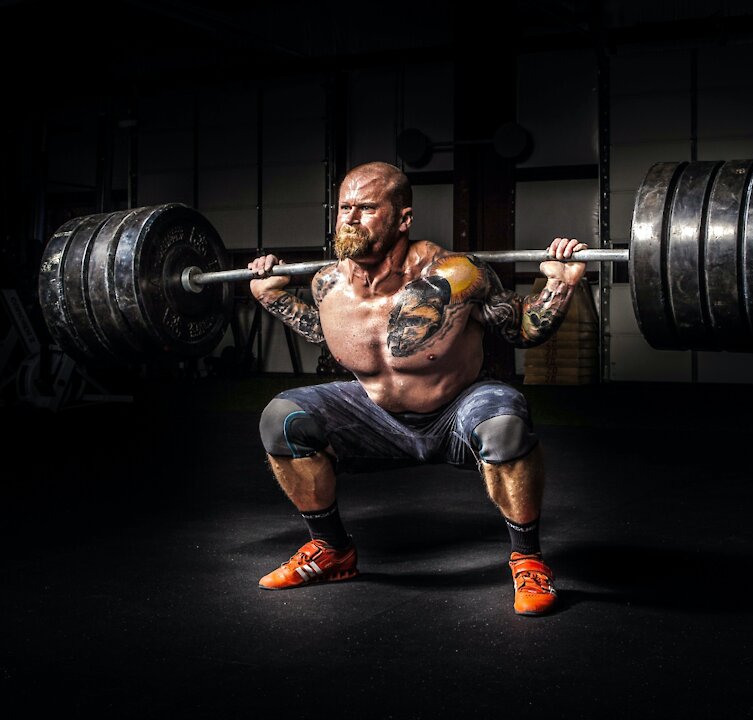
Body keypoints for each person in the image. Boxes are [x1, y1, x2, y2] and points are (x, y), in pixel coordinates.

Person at [247, 161, 587, 616]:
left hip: (454, 410)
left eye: (366, 208)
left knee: (505, 420)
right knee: (282, 418)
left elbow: (522, 328)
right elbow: (326, 333)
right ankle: (331, 550)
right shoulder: (326, 283)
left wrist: (559, 286)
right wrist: (274, 298)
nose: (350, 218)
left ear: (403, 219)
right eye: (345, 207)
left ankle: (527, 559)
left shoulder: (459, 275)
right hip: (374, 416)